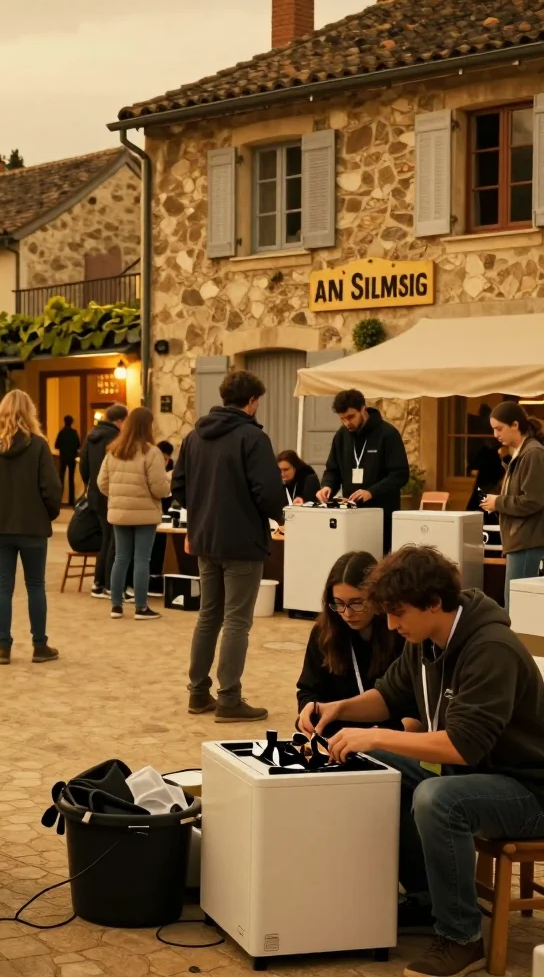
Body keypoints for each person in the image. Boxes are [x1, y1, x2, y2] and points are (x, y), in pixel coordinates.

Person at [300, 546, 544, 977]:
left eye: (398, 614)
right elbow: (388, 696)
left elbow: (462, 747)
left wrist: (377, 736)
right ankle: (425, 897)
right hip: (482, 775)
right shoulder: (426, 639)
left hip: (530, 791)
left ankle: (462, 938)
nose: (390, 624)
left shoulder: (491, 648)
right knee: (382, 768)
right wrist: (337, 708)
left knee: (437, 798)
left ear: (434, 604)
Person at [172, 371, 284, 723]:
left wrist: (204, 510)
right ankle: (230, 699)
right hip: (243, 541)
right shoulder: (252, 437)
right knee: (237, 620)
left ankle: (198, 693)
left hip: (206, 539)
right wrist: (277, 516)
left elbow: (178, 488)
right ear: (251, 402)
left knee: (209, 616)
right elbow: (268, 492)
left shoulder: (194, 437)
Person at [0, 389, 62, 665]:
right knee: (36, 586)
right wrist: (47, 513)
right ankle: (39, 645)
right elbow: (51, 488)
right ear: (30, 412)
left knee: (3, 586)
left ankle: (3, 646)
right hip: (33, 526)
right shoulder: (38, 445)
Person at [296, 550, 404, 735]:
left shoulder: (401, 632)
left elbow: (409, 705)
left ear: (376, 596)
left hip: (387, 734)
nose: (347, 613)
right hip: (336, 734)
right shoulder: (324, 633)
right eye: (338, 603)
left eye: (356, 603)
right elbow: (308, 689)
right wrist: (310, 711)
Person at [97, 407, 170, 620]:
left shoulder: (114, 450)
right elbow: (159, 488)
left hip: (119, 514)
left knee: (121, 557)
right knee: (141, 559)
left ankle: (116, 606)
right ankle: (141, 607)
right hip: (145, 514)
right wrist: (167, 484)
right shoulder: (152, 452)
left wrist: (118, 496)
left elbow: (102, 483)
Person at [316, 389, 409, 553]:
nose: (347, 423)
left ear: (363, 409)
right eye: (342, 419)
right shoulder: (341, 436)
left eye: (351, 417)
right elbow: (333, 469)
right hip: (351, 518)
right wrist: (327, 486)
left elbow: (400, 475)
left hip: (382, 518)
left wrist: (371, 492)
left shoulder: (387, 434)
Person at [479, 401, 544, 606]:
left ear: (515, 425)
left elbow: (533, 501)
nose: (496, 434)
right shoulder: (523, 452)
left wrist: (498, 503)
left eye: (500, 428)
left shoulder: (532, 453)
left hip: (526, 540)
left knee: (517, 606)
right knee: (515, 605)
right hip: (521, 539)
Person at [80, 404, 128, 599]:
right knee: (113, 541)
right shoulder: (116, 439)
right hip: (111, 493)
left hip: (94, 493)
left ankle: (97, 583)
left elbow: (83, 466)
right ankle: (109, 584)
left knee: (106, 539)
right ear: (119, 421)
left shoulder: (90, 436)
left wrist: (89, 486)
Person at [54, 415, 81, 507]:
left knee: (61, 479)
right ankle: (71, 500)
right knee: (71, 479)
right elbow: (78, 445)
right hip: (72, 457)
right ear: (72, 422)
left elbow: (56, 445)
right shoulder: (74, 433)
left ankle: (59, 499)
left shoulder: (61, 433)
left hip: (63, 457)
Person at [157, 440, 176, 514]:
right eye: (160, 458)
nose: (162, 462)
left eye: (165, 459)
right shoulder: (150, 466)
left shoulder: (173, 468)